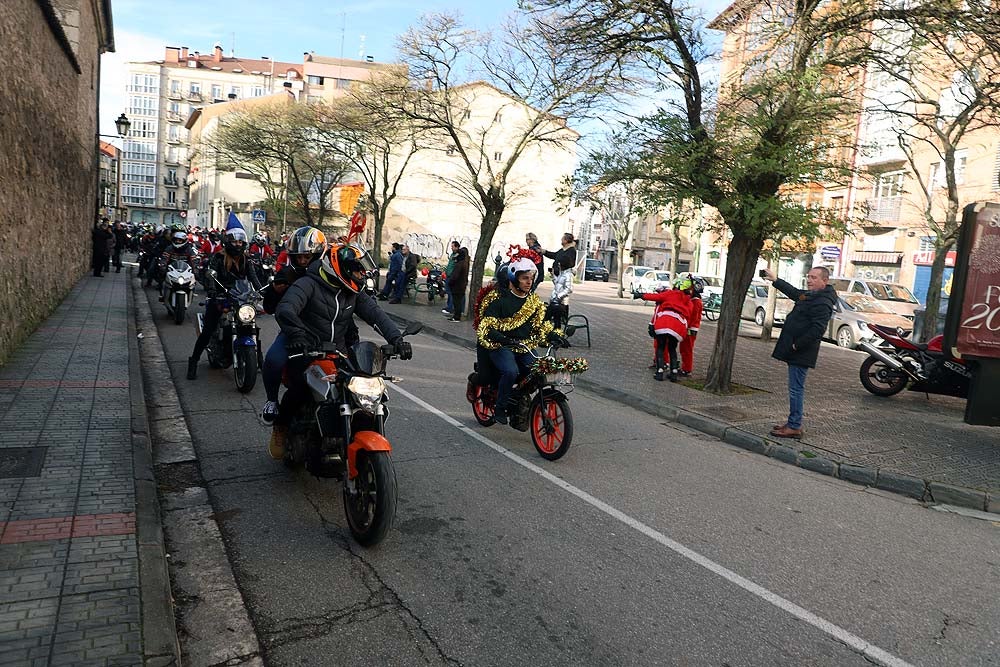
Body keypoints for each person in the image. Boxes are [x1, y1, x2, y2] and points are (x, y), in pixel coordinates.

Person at [269, 243, 411, 458]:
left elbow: (376, 315)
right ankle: (281, 426)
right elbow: (286, 308)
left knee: (363, 393)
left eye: (361, 270)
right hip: (308, 350)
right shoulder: (308, 284)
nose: (360, 275)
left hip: (340, 353)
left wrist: (397, 339)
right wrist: (298, 335)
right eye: (356, 270)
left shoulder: (353, 291)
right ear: (339, 268)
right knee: (299, 390)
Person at [476, 254, 558, 424]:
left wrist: (555, 336)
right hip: (500, 345)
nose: (529, 282)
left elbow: (540, 327)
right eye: (524, 278)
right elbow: (487, 327)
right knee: (511, 371)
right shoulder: (499, 301)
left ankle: (520, 399)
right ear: (514, 278)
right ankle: (500, 407)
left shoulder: (533, 302)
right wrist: (503, 339)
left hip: (523, 346)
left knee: (538, 370)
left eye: (531, 278)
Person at [259, 226, 327, 424]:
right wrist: (274, 291)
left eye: (307, 257)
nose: (303, 261)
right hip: (293, 331)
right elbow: (270, 308)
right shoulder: (287, 274)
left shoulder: (329, 274)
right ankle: (271, 401)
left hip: (325, 332)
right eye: (299, 257)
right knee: (273, 360)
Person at [761, 267, 837, 439]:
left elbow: (818, 329)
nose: (809, 280)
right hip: (796, 349)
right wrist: (775, 280)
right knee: (794, 388)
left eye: (814, 277)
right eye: (808, 276)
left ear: (824, 281)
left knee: (796, 389)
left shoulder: (823, 302)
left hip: (801, 352)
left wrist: (797, 345)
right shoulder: (811, 295)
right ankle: (792, 422)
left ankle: (795, 426)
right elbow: (795, 293)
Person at [187, 227, 252, 380]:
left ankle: (257, 358)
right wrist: (212, 292)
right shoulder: (218, 258)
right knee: (208, 331)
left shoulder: (246, 259)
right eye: (234, 242)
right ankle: (193, 362)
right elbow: (210, 277)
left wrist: (262, 290)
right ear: (228, 242)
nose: (237, 245)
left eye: (240, 242)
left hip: (239, 297)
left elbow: (253, 277)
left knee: (249, 324)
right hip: (220, 297)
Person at [637, 276, 695, 382]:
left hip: (664, 322)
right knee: (672, 348)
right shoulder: (689, 302)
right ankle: (673, 373)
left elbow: (656, 297)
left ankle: (659, 371)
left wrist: (641, 295)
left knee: (661, 347)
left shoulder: (670, 294)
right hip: (678, 327)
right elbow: (689, 315)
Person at [541, 233, 578, 328]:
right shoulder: (563, 250)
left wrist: (558, 297)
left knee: (562, 301)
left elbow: (568, 289)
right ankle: (548, 324)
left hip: (563, 276)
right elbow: (555, 255)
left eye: (562, 239)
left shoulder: (571, 251)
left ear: (566, 240)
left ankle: (562, 318)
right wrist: (544, 252)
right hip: (558, 275)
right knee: (555, 299)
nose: (561, 240)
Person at [679, 275, 705, 377]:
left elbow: (692, 317)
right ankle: (685, 367)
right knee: (684, 348)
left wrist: (685, 327)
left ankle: (687, 369)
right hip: (689, 328)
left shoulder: (695, 302)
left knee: (687, 349)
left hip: (690, 329)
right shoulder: (694, 300)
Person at [446, 246, 470, 322]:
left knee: (457, 301)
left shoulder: (460, 264)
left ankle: (457, 317)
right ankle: (457, 315)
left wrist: (450, 282)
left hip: (457, 285)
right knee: (458, 301)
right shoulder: (465, 263)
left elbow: (455, 275)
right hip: (461, 285)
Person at [442, 241, 461, 316]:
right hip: (448, 275)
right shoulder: (452, 255)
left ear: (456, 247)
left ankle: (450, 308)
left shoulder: (457, 255)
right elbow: (449, 265)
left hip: (452, 277)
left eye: (453, 246)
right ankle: (448, 306)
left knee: (451, 293)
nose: (451, 248)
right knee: (448, 291)